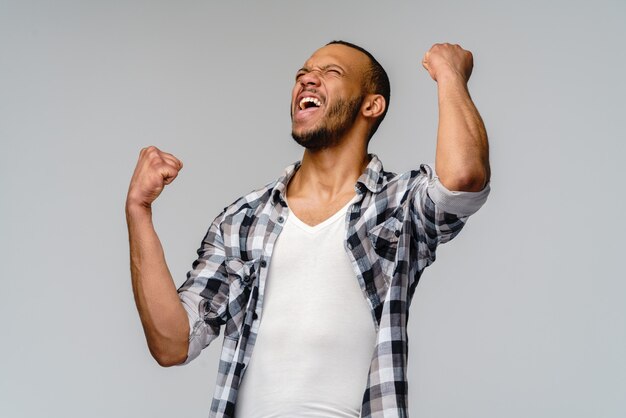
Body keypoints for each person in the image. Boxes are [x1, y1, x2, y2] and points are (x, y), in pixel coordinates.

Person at [125, 40, 491, 418]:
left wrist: (449, 74)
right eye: (303, 74)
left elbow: (462, 179)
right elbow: (172, 343)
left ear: (371, 104)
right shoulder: (244, 220)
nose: (307, 80)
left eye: (331, 72)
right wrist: (139, 210)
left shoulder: (396, 206)